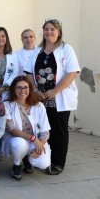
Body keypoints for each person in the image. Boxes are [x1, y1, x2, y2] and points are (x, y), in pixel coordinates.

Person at [25, 19, 80, 175]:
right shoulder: (37, 50)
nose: (49, 32)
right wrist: (35, 89)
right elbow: (28, 73)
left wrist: (54, 91)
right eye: (46, 29)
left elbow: (73, 73)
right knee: (42, 129)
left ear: (59, 32)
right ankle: (42, 159)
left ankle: (57, 163)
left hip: (59, 98)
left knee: (58, 131)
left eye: (52, 29)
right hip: (40, 98)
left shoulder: (66, 49)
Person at [2, 76, 51, 181]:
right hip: (17, 138)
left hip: (36, 140)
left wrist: (40, 145)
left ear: (30, 89)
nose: (22, 90)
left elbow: (45, 131)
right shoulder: (7, 105)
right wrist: (33, 138)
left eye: (25, 87)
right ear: (13, 89)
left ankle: (27, 158)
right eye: (18, 87)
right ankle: (17, 165)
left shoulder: (39, 106)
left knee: (43, 163)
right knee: (19, 144)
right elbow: (11, 129)